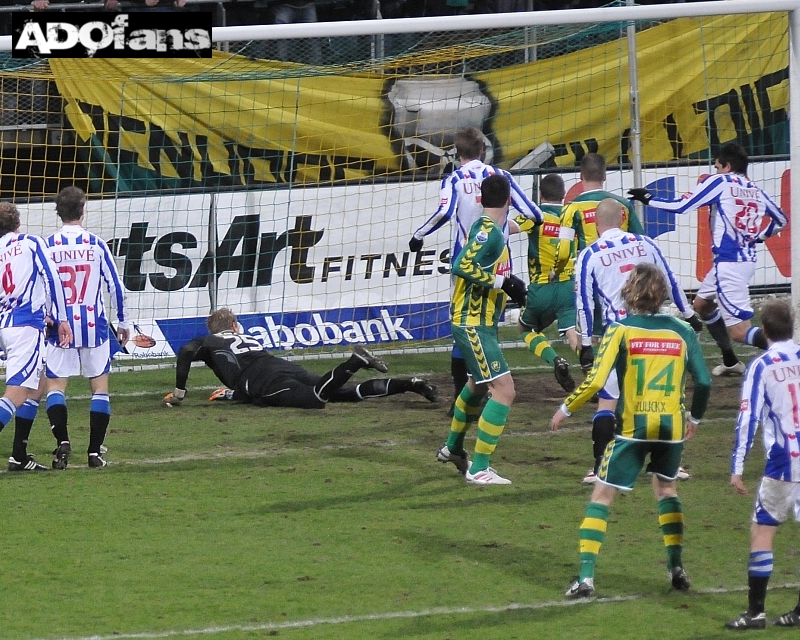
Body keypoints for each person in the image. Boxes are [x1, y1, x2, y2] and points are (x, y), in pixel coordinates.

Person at [550, 262, 711, 598]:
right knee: (666, 490)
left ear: (630, 292)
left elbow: (595, 380)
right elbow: (705, 380)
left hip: (632, 428)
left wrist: (566, 408)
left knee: (602, 496)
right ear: (662, 294)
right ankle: (676, 567)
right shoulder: (683, 330)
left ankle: (586, 579)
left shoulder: (620, 328)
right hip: (672, 427)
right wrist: (693, 420)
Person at [408, 127, 543, 414]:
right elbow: (535, 214)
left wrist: (418, 235)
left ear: (458, 153)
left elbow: (445, 213)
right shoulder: (500, 177)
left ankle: (463, 396)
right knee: (487, 324)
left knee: (464, 323)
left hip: (467, 261)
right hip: (499, 259)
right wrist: (506, 226)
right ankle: (486, 386)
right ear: (483, 149)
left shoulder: (455, 178)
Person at [628, 143, 787, 377]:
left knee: (740, 332)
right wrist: (759, 237)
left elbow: (682, 205)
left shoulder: (721, 182)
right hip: (743, 261)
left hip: (729, 265)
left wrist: (649, 199)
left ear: (727, 166)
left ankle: (790, 355)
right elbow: (781, 219)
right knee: (702, 304)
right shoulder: (755, 189)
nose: (715, 170)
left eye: (717, 166)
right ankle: (730, 361)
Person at [574, 198, 702, 484]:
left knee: (608, 401)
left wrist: (584, 344)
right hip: (655, 329)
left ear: (595, 224)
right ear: (623, 217)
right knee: (661, 397)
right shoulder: (646, 243)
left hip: (620, 333)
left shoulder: (589, 255)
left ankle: (599, 467)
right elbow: (669, 280)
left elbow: (583, 303)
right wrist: (689, 314)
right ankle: (668, 463)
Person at [435, 174, 528, 485]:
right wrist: (506, 282)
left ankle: (452, 448)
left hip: (482, 323)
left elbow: (520, 225)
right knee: (505, 390)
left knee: (476, 384)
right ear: (510, 200)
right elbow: (460, 264)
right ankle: (480, 468)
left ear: (480, 199)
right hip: (472, 322)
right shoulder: (488, 232)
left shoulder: (490, 227)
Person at [161, 308, 438, 409]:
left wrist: (180, 393)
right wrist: (231, 395)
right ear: (235, 326)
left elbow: (186, 352)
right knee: (343, 394)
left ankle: (355, 362)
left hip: (263, 378)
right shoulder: (246, 338)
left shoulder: (210, 341)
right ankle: (410, 384)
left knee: (316, 399)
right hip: (279, 365)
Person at [31, 187, 129, 470]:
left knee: (56, 388)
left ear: (58, 212)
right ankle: (94, 453)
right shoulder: (96, 244)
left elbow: (39, 289)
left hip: (59, 327)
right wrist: (123, 323)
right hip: (93, 326)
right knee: (99, 389)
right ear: (82, 210)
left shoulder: (47, 246)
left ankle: (62, 441)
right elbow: (116, 287)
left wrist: (46, 318)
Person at [725, 299, 800, 630]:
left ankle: (755, 612)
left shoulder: (762, 365)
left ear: (764, 331)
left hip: (786, 462)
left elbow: (748, 417)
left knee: (763, 529)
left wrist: (737, 465)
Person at [0, 202, 72, 472]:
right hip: (25, 326)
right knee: (15, 394)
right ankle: (18, 455)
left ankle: (18, 456)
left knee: (37, 387)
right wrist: (61, 318)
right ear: (17, 223)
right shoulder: (30, 242)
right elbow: (52, 277)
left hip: (6, 325)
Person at [515, 173, 577, 393]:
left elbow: (507, 229)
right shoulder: (572, 216)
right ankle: (593, 371)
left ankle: (555, 360)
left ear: (540, 194)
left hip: (541, 287)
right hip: (569, 287)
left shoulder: (535, 215)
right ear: (563, 195)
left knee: (525, 328)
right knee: (572, 333)